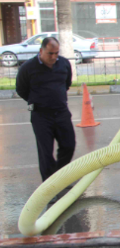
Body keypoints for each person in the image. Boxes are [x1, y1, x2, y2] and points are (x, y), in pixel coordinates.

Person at [16, 37, 76, 183]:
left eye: (56, 53)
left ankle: (60, 178)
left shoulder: (64, 64)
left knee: (69, 145)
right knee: (46, 153)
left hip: (61, 112)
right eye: (50, 53)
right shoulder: (28, 68)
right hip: (41, 115)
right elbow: (21, 89)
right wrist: (36, 102)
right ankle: (49, 187)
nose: (54, 57)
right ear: (41, 51)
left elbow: (66, 83)